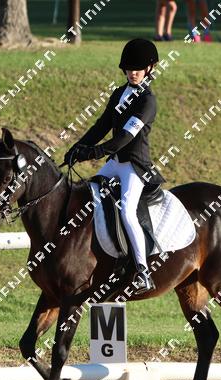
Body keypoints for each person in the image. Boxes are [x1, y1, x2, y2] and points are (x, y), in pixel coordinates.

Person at [64, 38, 166, 293]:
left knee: (127, 212)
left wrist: (94, 152)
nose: (133, 73)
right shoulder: (119, 93)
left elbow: (125, 138)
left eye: (138, 69)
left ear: (150, 68)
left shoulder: (148, 101)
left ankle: (143, 272)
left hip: (134, 166)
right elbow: (101, 126)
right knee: (86, 195)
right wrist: (77, 147)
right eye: (129, 68)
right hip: (115, 163)